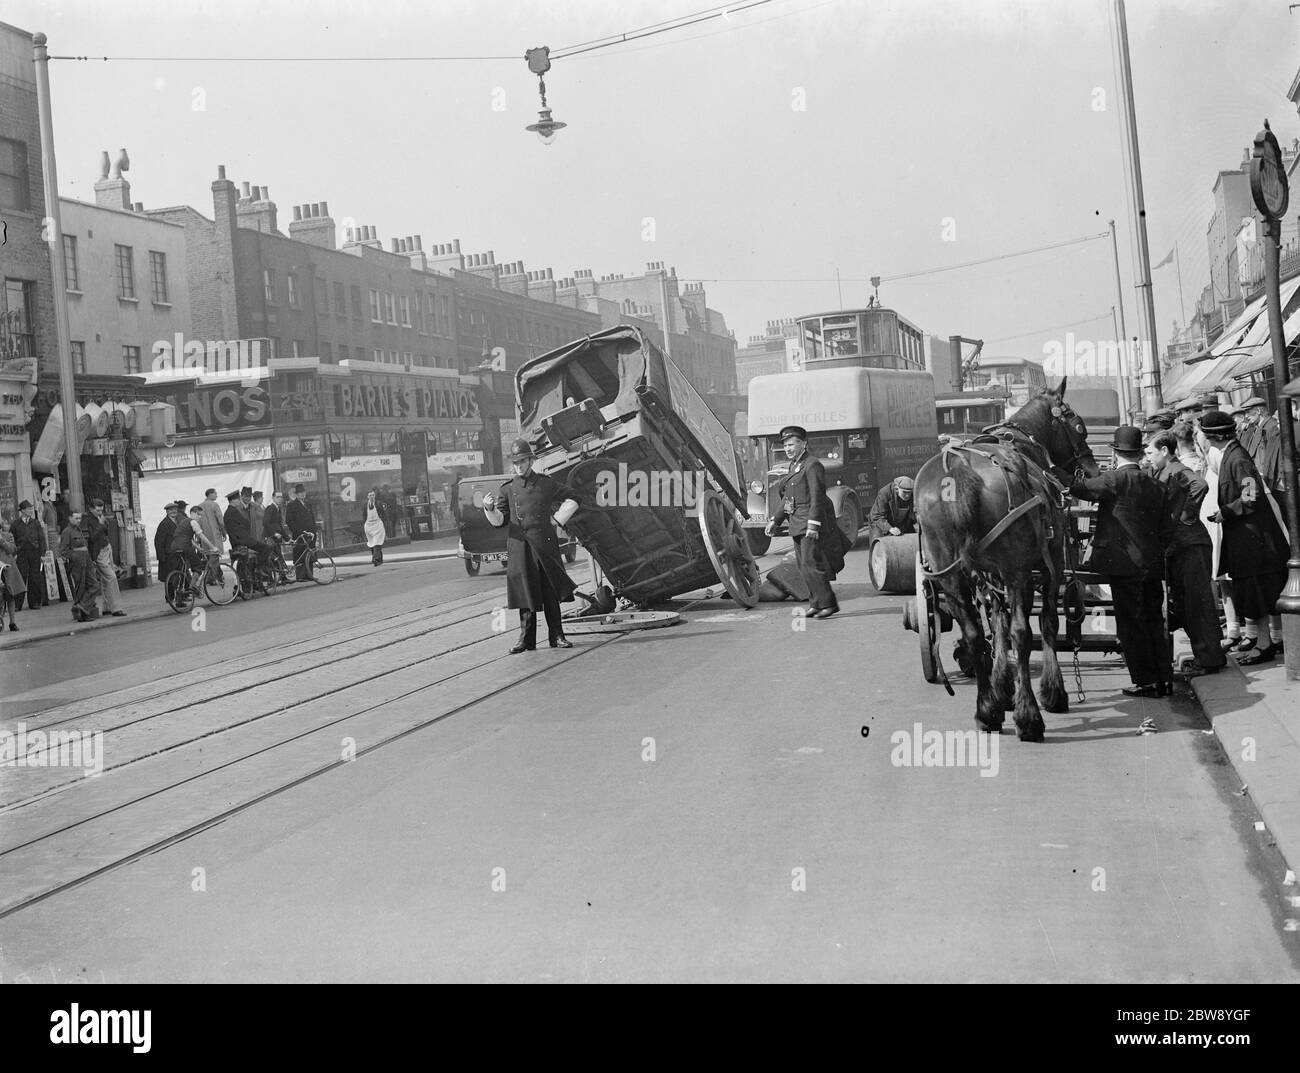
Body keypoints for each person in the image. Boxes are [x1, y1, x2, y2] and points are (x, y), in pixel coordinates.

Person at [1070, 426, 1173, 704]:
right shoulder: (1157, 486)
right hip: (1151, 565)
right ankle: (1163, 679)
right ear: (1140, 454)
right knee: (1153, 619)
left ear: (1115, 454)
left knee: (1131, 624)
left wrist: (1060, 474)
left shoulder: (1113, 480)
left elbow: (1081, 489)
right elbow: (1167, 529)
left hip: (1122, 565)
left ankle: (1146, 682)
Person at [1199, 409, 1289, 665]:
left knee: (1257, 593)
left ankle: (1264, 645)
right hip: (1248, 539)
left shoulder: (1237, 459)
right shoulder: (1231, 455)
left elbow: (1251, 496)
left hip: (1254, 541)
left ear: (1212, 437)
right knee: (1254, 594)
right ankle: (1264, 642)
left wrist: (1225, 512)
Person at [483, 439, 580, 652]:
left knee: (550, 593)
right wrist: (489, 509)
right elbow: (500, 521)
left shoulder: (546, 483)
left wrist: (557, 520)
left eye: (522, 461)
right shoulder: (507, 489)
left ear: (531, 461)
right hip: (520, 547)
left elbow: (573, 498)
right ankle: (526, 640)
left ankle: (557, 636)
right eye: (515, 462)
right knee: (525, 593)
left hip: (544, 545)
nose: (518, 466)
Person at [1146, 431, 1224, 678]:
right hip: (1180, 546)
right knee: (1186, 605)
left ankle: (1210, 659)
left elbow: (1200, 484)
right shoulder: (1162, 471)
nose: (1148, 458)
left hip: (1191, 545)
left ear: (1165, 451)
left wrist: (1187, 516)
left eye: (1150, 453)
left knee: (1197, 604)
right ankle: (1204, 655)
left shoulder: (1177, 469)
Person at [765, 425, 846, 620]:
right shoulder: (794, 466)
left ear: (803, 444)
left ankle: (829, 603)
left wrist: (813, 525)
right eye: (785, 446)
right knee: (803, 566)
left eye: (792, 444)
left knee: (812, 563)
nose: (788, 449)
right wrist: (775, 520)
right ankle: (815, 603)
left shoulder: (812, 464)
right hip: (796, 523)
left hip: (808, 522)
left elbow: (818, 496)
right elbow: (787, 500)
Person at [85, 499, 125, 617]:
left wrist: (104, 524)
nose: (99, 512)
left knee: (105, 580)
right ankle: (116, 608)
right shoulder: (88, 520)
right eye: (97, 510)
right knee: (111, 577)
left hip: (106, 548)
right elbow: (92, 538)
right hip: (99, 552)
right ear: (91, 509)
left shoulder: (98, 518)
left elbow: (104, 532)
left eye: (101, 510)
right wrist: (101, 524)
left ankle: (107, 607)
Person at [59, 511, 100, 622]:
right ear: (70, 518)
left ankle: (81, 607)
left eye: (80, 518)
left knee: (94, 585)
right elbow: (63, 551)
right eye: (76, 518)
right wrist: (75, 557)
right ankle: (82, 613)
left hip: (87, 561)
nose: (78, 520)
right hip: (78, 563)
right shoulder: (67, 532)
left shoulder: (78, 530)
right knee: (80, 587)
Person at [11, 500, 48, 610]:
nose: (30, 511)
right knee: (20, 577)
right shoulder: (16, 524)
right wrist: (14, 553)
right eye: (28, 509)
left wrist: (42, 554)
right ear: (22, 511)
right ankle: (18, 605)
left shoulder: (35, 523)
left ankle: (35, 602)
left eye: (31, 508)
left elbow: (42, 539)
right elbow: (11, 539)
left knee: (35, 577)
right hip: (21, 554)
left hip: (35, 553)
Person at [285, 484, 316, 581]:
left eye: (303, 493)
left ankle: (309, 574)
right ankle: (301, 576)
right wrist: (298, 531)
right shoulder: (291, 505)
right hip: (300, 534)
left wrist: (314, 530)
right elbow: (289, 521)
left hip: (310, 533)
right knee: (300, 554)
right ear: (296, 495)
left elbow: (312, 518)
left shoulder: (308, 504)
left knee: (310, 553)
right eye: (300, 493)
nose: (302, 495)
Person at [0, 522, 25, 631]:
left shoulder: (8, 536)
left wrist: (2, 540)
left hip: (8, 568)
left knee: (11, 595)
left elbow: (11, 549)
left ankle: (12, 622)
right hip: (0, 568)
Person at [263, 491, 290, 581]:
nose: (280, 499)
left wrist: (288, 539)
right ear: (273, 498)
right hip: (271, 538)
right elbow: (265, 523)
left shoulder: (278, 508)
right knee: (274, 558)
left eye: (281, 497)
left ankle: (282, 577)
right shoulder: (270, 508)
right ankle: (272, 579)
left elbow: (279, 526)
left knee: (278, 557)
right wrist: (273, 533)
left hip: (277, 538)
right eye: (278, 497)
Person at [364, 488, 391, 566]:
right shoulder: (365, 505)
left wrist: (385, 522)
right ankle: (379, 559)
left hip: (377, 525)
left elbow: (383, 513)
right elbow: (364, 515)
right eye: (370, 495)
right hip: (369, 526)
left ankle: (375, 559)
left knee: (376, 542)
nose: (372, 496)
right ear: (367, 497)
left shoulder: (378, 503)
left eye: (373, 495)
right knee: (372, 543)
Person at [153, 502, 180, 582]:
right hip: (169, 555)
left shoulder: (178, 521)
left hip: (178, 553)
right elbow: (158, 541)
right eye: (171, 510)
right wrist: (162, 557)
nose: (173, 511)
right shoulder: (164, 524)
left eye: (175, 509)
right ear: (167, 512)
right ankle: (170, 595)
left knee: (179, 577)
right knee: (170, 580)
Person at [199, 487, 227, 555]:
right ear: (210, 494)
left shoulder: (199, 506)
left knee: (208, 555)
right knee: (216, 554)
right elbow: (221, 521)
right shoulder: (214, 505)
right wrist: (224, 532)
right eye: (215, 493)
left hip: (204, 535)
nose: (216, 495)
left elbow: (198, 522)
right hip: (215, 535)